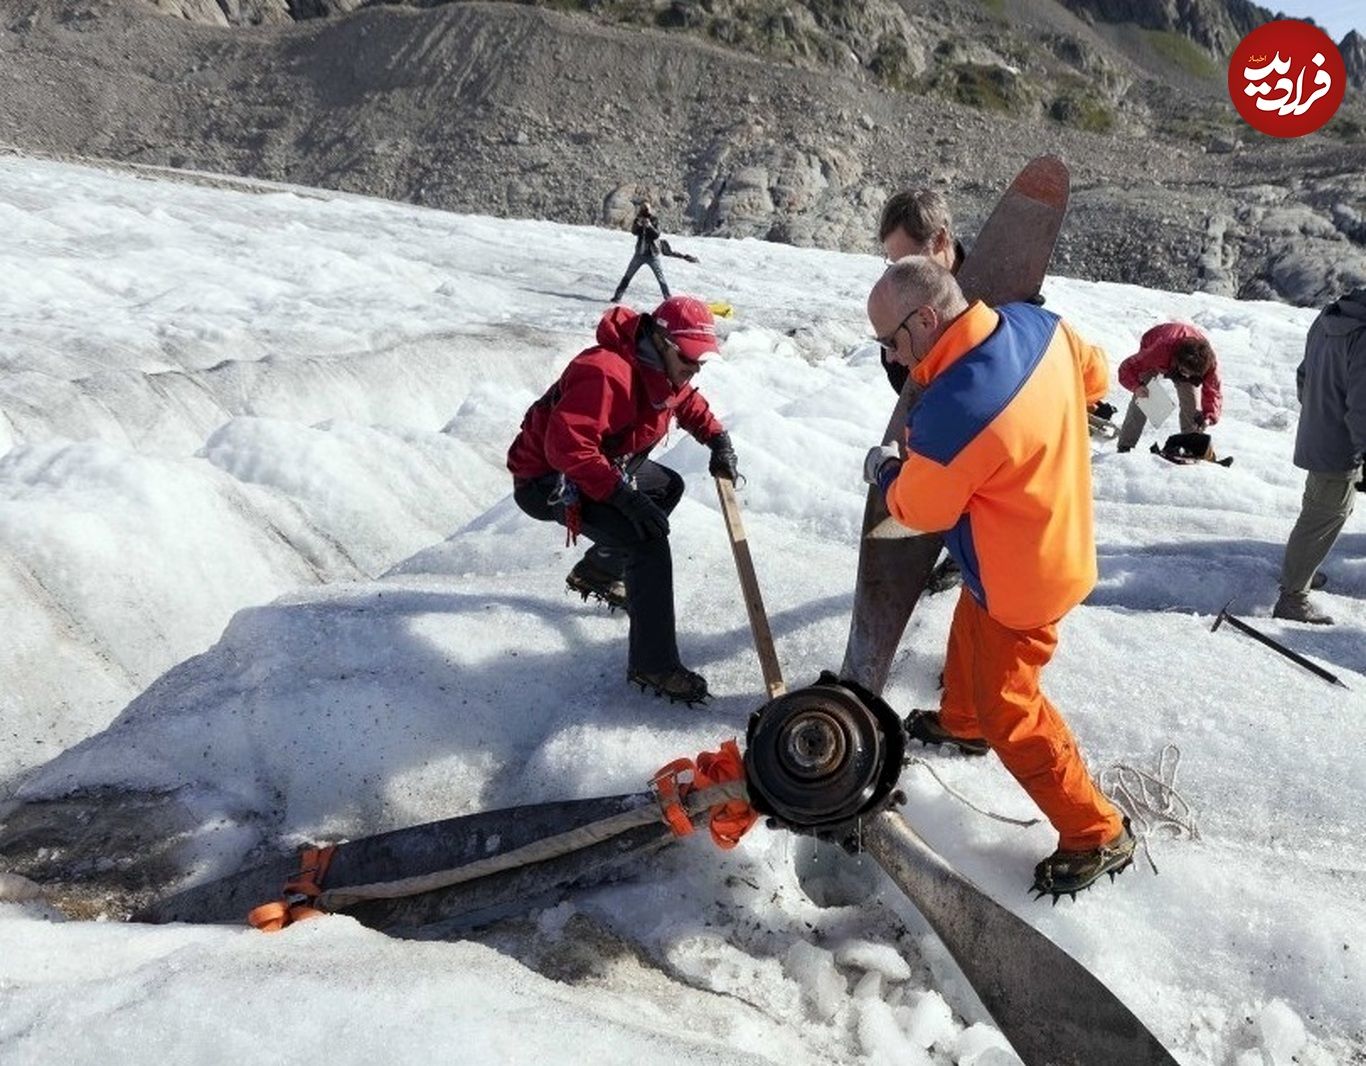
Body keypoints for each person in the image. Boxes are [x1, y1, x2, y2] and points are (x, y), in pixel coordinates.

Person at [861, 257, 1133, 897]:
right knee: (969, 627)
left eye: (891, 342)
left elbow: (920, 510)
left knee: (1013, 706)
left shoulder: (956, 412)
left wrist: (886, 472)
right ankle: (962, 723)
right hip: (1041, 545)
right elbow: (1094, 376)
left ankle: (1096, 831)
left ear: (926, 318)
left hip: (1026, 582)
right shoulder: (1039, 327)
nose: (893, 359)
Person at [507, 295, 739, 704]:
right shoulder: (605, 372)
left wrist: (717, 439)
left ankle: (597, 571)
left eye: (700, 360)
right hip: (549, 481)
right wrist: (622, 498)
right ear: (664, 342)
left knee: (665, 487)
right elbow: (567, 448)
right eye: (689, 357)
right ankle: (653, 664)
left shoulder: (661, 370)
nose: (694, 368)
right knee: (647, 542)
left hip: (602, 465)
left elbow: (684, 402)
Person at [1272, 288, 1365, 625]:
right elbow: (1363, 409)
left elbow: (1303, 376)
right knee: (1323, 518)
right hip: (1342, 445)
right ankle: (1293, 597)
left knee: (1317, 512)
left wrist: (1318, 413)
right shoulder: (1363, 335)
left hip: (1319, 431)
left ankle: (1302, 572)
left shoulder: (1331, 317)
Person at [876, 189, 965, 395]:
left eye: (912, 261)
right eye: (894, 263)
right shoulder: (895, 296)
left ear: (940, 240)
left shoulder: (996, 276)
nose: (904, 274)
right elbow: (905, 387)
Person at [1114, 324, 1222, 452]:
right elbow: (1126, 368)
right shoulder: (1159, 350)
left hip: (1182, 360)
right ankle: (1125, 445)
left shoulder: (1210, 363)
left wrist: (1208, 418)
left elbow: (1214, 391)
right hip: (1155, 345)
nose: (1186, 376)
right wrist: (1136, 387)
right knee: (1144, 396)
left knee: (1192, 404)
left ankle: (1190, 445)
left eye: (1191, 375)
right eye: (1184, 371)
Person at [611, 202, 672, 303]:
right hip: (639, 254)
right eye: (643, 209)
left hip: (652, 254)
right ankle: (617, 296)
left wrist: (649, 226)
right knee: (628, 275)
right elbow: (634, 232)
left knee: (660, 277)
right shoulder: (638, 219)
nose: (645, 212)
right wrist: (638, 226)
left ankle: (668, 298)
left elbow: (656, 235)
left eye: (646, 209)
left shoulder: (654, 220)